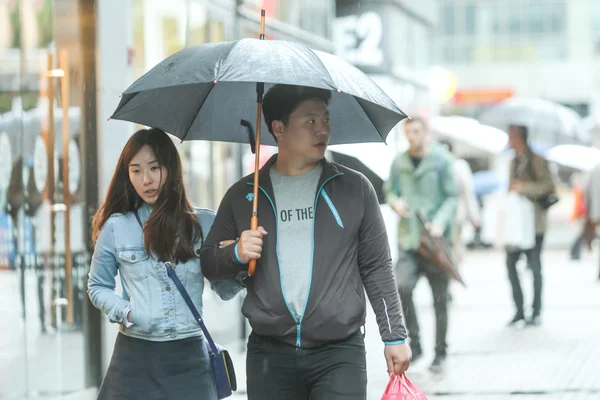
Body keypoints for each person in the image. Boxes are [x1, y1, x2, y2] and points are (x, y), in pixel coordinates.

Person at [200, 84, 411, 400]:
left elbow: (377, 266)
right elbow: (209, 263)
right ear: (278, 128)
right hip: (270, 353)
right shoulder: (245, 195)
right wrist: (236, 252)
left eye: (325, 119)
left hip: (340, 352)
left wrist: (394, 335)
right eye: (310, 121)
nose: (322, 130)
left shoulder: (355, 188)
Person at [88, 128, 242, 400]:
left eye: (154, 168)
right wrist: (127, 312)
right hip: (135, 356)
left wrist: (240, 261)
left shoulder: (203, 223)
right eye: (135, 171)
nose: (146, 180)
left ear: (170, 168)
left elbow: (224, 290)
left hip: (189, 358)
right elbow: (97, 285)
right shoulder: (116, 227)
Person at [384, 117, 458, 372]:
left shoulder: (441, 160)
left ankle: (441, 351)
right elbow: (389, 189)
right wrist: (395, 202)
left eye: (416, 131)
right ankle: (415, 343)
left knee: (440, 299)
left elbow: (452, 197)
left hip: (435, 241)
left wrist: (439, 222)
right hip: (409, 240)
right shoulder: (399, 161)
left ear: (425, 133)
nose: (411, 136)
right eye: (408, 132)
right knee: (402, 287)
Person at [505, 124, 555, 326]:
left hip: (534, 223)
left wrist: (525, 188)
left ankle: (536, 310)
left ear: (518, 136)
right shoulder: (512, 162)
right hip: (517, 224)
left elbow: (549, 186)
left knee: (534, 267)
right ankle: (519, 309)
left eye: (510, 135)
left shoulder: (537, 160)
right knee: (510, 265)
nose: (508, 139)